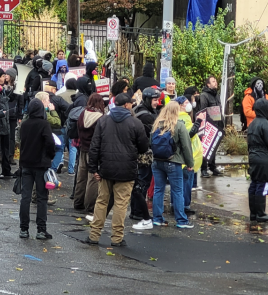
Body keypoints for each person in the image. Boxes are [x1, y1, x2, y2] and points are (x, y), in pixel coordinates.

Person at [83, 93, 149, 246]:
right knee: (121, 204)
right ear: (126, 105)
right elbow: (144, 147)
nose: (132, 105)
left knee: (102, 201)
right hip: (127, 169)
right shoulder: (136, 123)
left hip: (105, 169)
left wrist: (94, 168)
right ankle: (117, 238)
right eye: (131, 103)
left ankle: (94, 235)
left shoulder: (103, 121)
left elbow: (94, 146)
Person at [150, 100, 196, 229]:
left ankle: (157, 218)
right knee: (177, 191)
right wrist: (189, 163)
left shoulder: (156, 124)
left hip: (157, 161)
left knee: (158, 190)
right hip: (173, 162)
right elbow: (186, 146)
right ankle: (181, 220)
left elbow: (150, 143)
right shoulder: (179, 125)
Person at [18, 99, 57, 239]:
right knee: (41, 198)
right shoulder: (44, 124)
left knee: (25, 197)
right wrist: (50, 156)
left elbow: (21, 142)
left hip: (26, 163)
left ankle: (24, 229)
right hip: (41, 164)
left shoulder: (25, 124)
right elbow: (50, 143)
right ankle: (41, 229)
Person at [130, 87, 160, 227]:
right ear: (148, 99)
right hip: (144, 154)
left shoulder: (138, 110)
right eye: (154, 100)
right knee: (142, 183)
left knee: (139, 182)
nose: (156, 102)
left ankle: (136, 210)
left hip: (137, 152)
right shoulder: (146, 116)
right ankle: (138, 211)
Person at [75, 93, 106, 216]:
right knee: (93, 178)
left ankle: (78, 202)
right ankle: (90, 206)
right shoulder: (100, 117)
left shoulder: (82, 114)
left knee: (81, 176)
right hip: (94, 150)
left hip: (82, 148)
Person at [247, 98, 268, 223]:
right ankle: (261, 213)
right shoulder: (265, 124)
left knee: (255, 184)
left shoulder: (253, 123)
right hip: (265, 159)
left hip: (254, 158)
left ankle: (254, 213)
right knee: (263, 185)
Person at [177, 96, 204, 218]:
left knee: (177, 183)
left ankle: (176, 205)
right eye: (186, 102)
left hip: (178, 156)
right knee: (186, 182)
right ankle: (184, 206)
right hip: (186, 156)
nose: (189, 104)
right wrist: (198, 121)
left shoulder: (177, 117)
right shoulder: (184, 118)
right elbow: (189, 134)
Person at [199, 76, 224, 177]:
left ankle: (213, 167)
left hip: (217, 124)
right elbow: (203, 110)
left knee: (214, 147)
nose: (216, 83)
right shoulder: (204, 95)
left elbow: (219, 108)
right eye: (213, 81)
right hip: (208, 125)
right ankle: (203, 169)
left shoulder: (216, 95)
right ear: (208, 84)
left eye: (216, 81)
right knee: (206, 148)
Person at [5, 68, 23, 165]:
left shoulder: (17, 88)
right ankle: (3, 154)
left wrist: (19, 116)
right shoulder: (2, 86)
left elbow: (20, 103)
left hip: (12, 114)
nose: (5, 76)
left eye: (7, 75)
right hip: (4, 114)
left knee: (12, 136)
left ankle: (10, 155)